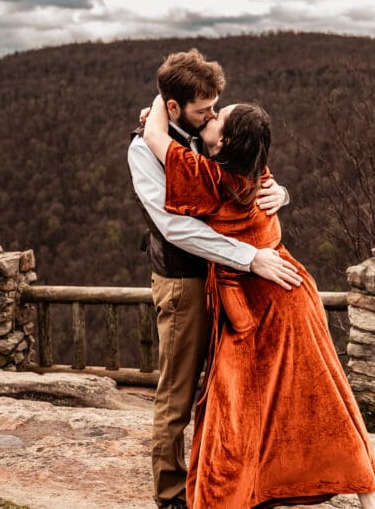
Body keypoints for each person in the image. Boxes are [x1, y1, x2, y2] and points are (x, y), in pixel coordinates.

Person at [142, 94, 375, 509]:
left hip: (263, 303)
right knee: (319, 396)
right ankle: (367, 493)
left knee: (235, 405)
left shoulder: (208, 178)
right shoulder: (256, 171)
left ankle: (231, 493)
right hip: (291, 292)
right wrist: (282, 193)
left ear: (225, 144)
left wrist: (163, 105)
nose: (214, 114)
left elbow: (152, 138)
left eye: (221, 115)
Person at [128, 49, 304, 508]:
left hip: (227, 284)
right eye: (202, 109)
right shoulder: (142, 149)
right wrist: (251, 257)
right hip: (184, 284)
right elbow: (176, 228)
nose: (211, 117)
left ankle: (231, 480)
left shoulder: (208, 138)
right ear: (173, 108)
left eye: (214, 108)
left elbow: (243, 177)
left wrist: (279, 193)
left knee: (226, 391)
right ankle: (170, 494)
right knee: (178, 395)